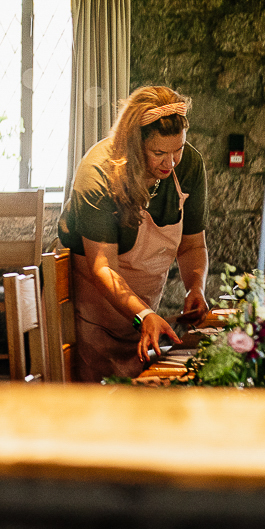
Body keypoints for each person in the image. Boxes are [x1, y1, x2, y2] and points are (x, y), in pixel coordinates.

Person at [56, 84, 208, 381]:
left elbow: (191, 246)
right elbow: (102, 268)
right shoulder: (98, 173)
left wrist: (195, 287)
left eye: (178, 149)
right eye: (159, 153)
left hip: (140, 314)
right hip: (91, 310)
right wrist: (144, 315)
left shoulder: (188, 163)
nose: (171, 162)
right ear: (134, 144)